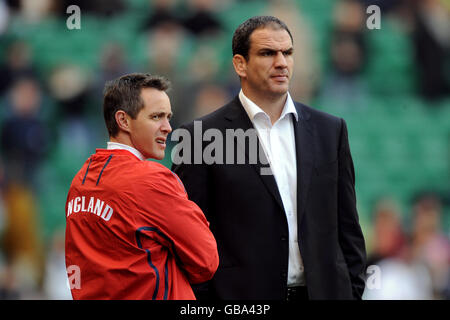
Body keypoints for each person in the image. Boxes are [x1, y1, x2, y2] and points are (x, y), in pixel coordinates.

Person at [172, 16, 367, 300]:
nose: (281, 62)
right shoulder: (199, 137)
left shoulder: (330, 130)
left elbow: (348, 227)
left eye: (287, 53)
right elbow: (187, 239)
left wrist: (351, 292)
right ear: (240, 64)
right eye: (267, 53)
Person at [65, 73, 219, 300]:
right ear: (123, 121)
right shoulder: (150, 180)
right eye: (156, 117)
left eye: (168, 117)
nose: (168, 127)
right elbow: (207, 261)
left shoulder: (80, 181)